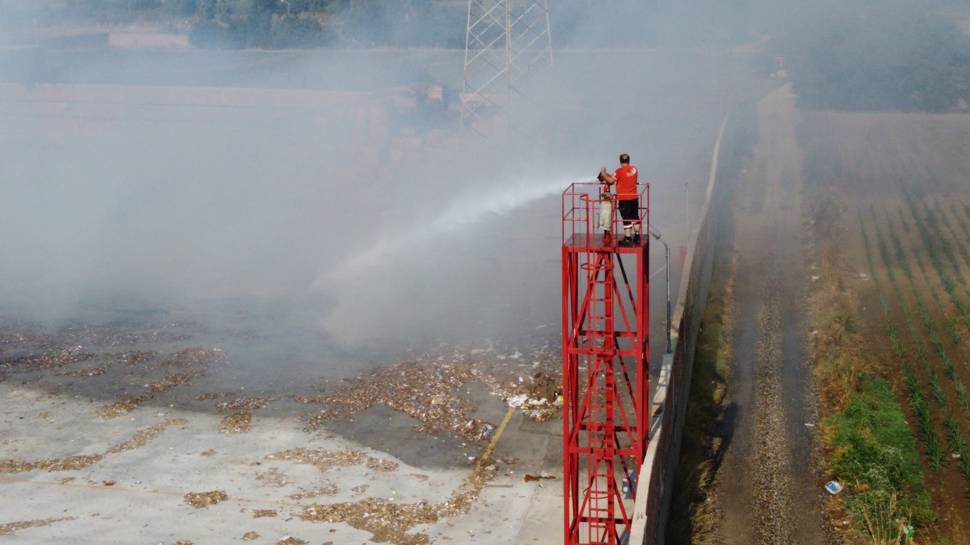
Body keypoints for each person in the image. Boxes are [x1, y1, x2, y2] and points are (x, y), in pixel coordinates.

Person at [600, 153, 640, 246]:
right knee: (635, 217)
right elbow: (626, 176)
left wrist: (603, 172)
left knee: (626, 219)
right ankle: (637, 236)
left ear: (620, 161)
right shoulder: (634, 169)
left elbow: (610, 181)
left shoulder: (618, 171)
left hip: (624, 199)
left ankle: (628, 239)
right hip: (634, 197)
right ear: (628, 160)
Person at [597, 170, 614, 243]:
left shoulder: (607, 184)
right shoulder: (607, 184)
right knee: (605, 220)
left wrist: (604, 195)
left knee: (606, 220)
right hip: (606, 204)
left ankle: (607, 235)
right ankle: (606, 234)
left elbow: (608, 195)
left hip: (607, 204)